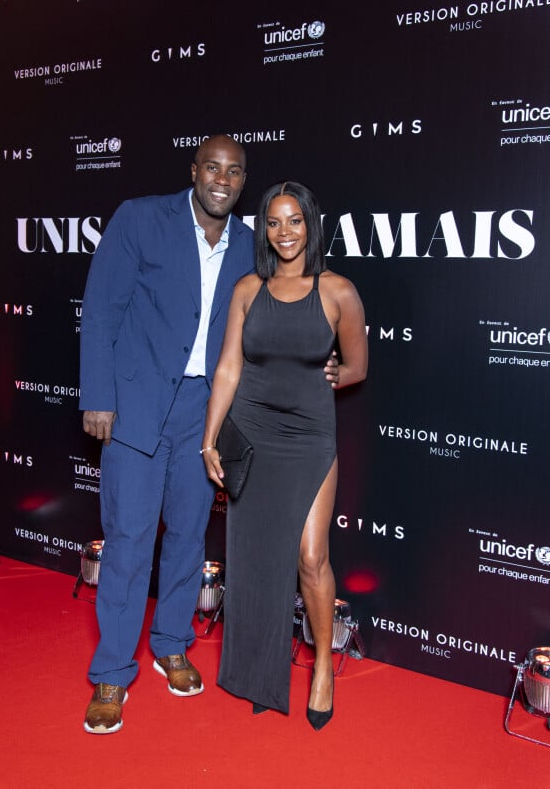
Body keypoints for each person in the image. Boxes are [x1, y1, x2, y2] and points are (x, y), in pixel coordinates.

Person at [79, 138, 339, 734]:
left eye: (235, 171)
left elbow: (282, 308)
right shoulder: (140, 217)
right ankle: (112, 672)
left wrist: (322, 362)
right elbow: (100, 308)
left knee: (190, 537)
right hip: (138, 406)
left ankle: (172, 643)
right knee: (127, 541)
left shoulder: (254, 241)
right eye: (212, 168)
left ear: (244, 180)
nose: (222, 179)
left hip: (208, 412)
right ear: (194, 171)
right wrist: (98, 396)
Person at [201, 181, 368, 730]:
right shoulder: (249, 288)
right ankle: (258, 669)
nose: (285, 232)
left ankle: (322, 663)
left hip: (309, 435)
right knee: (254, 560)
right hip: (252, 430)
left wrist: (335, 373)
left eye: (294, 220)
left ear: (310, 223)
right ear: (264, 230)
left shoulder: (338, 290)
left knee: (310, 556)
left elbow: (357, 367)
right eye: (273, 222)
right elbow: (228, 366)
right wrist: (210, 437)